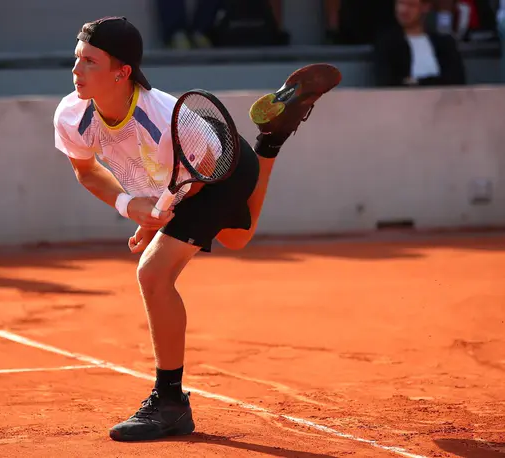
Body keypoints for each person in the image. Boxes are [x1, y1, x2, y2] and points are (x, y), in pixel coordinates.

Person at [53, 16, 341, 442]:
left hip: (218, 169)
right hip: (181, 177)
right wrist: (130, 205)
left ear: (122, 72)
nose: (76, 71)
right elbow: (85, 170)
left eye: (89, 62)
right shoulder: (72, 114)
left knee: (153, 273)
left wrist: (157, 222)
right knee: (237, 238)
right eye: (77, 59)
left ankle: (170, 403)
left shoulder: (165, 118)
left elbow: (200, 178)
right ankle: (272, 138)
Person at [374, 0, 466, 87]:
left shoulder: (445, 43)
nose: (403, 10)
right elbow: (387, 83)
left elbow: (455, 80)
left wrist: (415, 82)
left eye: (411, 5)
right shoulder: (387, 43)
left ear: (425, 7)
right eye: (400, 3)